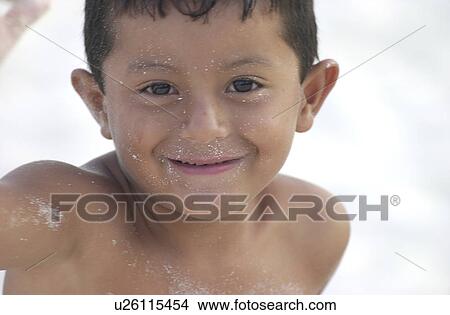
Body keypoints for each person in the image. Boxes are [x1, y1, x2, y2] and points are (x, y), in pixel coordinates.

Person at [0, 0, 350, 294]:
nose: (204, 129)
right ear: (99, 103)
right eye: (159, 89)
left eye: (244, 85)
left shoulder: (315, 230)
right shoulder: (66, 219)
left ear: (309, 97)